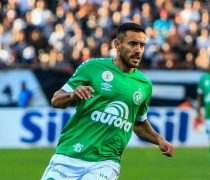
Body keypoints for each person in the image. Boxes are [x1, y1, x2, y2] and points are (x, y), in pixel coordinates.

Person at [41, 22, 175, 180]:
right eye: (132, 44)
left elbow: (139, 124)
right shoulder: (92, 67)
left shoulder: (144, 85)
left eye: (142, 45)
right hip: (68, 155)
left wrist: (159, 140)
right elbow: (56, 100)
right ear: (117, 44)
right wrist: (72, 95)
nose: (138, 50)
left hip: (105, 163)